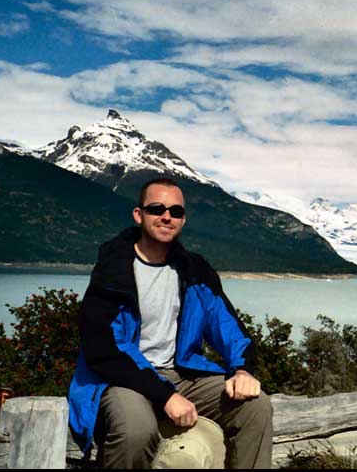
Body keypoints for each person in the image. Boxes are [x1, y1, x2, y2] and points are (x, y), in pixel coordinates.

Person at [67, 177, 273, 469]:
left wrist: (242, 369)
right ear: (139, 215)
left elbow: (227, 326)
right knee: (135, 431)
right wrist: (165, 395)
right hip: (123, 379)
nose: (167, 216)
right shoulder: (113, 270)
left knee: (256, 406)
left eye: (176, 212)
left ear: (183, 219)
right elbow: (104, 350)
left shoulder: (194, 270)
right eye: (157, 209)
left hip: (181, 374)